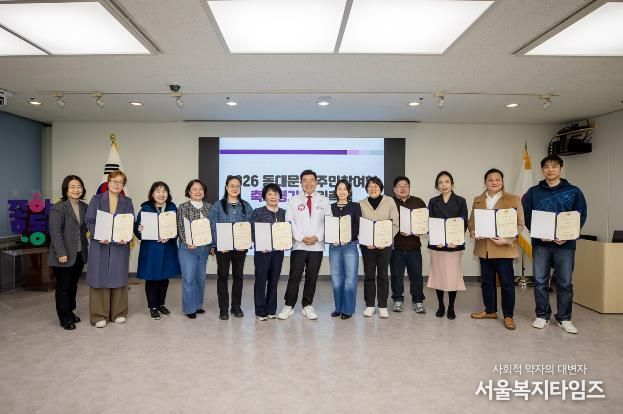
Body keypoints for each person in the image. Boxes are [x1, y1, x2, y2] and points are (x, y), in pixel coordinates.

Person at [522, 155, 587, 334]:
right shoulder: (533, 192)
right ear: (542, 170)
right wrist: (538, 232)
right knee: (540, 281)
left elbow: (580, 215)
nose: (550, 170)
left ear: (561, 169)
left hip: (565, 245)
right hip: (541, 244)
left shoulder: (574, 191)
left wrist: (568, 235)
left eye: (554, 166)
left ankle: (564, 318)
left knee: (565, 282)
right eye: (547, 167)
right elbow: (526, 215)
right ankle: (542, 316)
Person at [467, 169, 525, 330]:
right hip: (484, 248)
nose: (494, 182)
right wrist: (472, 231)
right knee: (487, 282)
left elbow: (520, 224)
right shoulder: (478, 200)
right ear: (485, 182)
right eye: (490, 179)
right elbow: (471, 221)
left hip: (504, 248)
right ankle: (490, 310)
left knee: (506, 283)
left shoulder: (513, 199)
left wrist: (508, 240)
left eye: (497, 179)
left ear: (502, 182)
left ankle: (508, 316)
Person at [278, 169, 330, 320]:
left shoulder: (324, 200)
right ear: (301, 183)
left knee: (312, 277)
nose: (308, 183)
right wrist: (301, 237)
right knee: (295, 276)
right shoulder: (294, 200)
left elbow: (328, 222)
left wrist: (317, 237)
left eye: (311, 180)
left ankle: (307, 305)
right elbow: (290, 221)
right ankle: (289, 305)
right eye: (305, 180)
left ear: (316, 182)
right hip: (299, 245)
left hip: (317, 246)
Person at [85, 170, 134, 328]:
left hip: (120, 245)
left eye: (120, 182)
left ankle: (119, 313)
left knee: (118, 277)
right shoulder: (96, 199)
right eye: (114, 181)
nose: (117, 184)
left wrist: (125, 236)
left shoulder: (127, 201)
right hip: (100, 244)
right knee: (99, 277)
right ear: (108, 182)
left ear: (123, 185)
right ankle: (99, 315)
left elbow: (130, 221)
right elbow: (89, 220)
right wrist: (98, 234)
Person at [134, 181, 181, 320]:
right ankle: (153, 307)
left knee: (164, 279)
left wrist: (171, 236)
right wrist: (139, 229)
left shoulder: (172, 208)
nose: (161, 194)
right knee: (152, 279)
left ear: (168, 194)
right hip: (151, 249)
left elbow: (178, 228)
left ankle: (161, 304)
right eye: (158, 191)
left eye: (164, 191)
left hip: (167, 248)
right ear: (152, 194)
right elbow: (137, 228)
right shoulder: (145, 208)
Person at [209, 175, 254, 320]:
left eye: (237, 186)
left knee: (238, 277)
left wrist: (245, 242)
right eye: (232, 185)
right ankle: (223, 309)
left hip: (240, 249)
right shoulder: (218, 205)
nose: (235, 188)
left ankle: (236, 307)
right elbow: (213, 226)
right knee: (222, 277)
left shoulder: (246, 206)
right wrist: (218, 244)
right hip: (223, 249)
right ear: (226, 187)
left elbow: (250, 226)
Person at [48, 175, 89, 330]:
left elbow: (88, 227)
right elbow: (55, 233)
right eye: (72, 187)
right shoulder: (58, 208)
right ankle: (64, 318)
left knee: (73, 285)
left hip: (79, 254)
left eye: (79, 186)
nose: (76, 190)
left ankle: (70, 312)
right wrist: (61, 252)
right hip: (63, 255)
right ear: (66, 189)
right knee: (63, 286)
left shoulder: (85, 207)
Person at [427, 171, 468, 320]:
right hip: (438, 245)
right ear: (437, 186)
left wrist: (455, 240)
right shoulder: (433, 201)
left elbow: (463, 222)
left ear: (452, 184)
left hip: (453, 245)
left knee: (452, 277)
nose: (444, 185)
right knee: (439, 276)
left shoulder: (461, 201)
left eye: (447, 182)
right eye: (440, 182)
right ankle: (441, 305)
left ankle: (451, 306)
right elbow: (430, 222)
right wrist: (435, 238)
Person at [359, 176, 399, 319]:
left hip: (385, 246)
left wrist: (385, 240)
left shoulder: (389, 201)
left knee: (383, 275)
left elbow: (395, 223)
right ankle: (370, 305)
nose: (373, 188)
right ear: (366, 188)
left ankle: (382, 306)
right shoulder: (361, 204)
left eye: (376, 186)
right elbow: (358, 225)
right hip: (367, 246)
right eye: (370, 186)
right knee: (369, 275)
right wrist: (365, 240)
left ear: (381, 188)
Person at [390, 176, 427, 314]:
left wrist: (421, 230)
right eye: (399, 185)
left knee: (416, 275)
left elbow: (425, 222)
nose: (403, 188)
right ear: (394, 189)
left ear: (409, 187)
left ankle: (418, 301)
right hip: (396, 247)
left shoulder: (418, 202)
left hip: (414, 247)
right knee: (396, 275)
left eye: (405, 185)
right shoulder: (390, 202)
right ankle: (397, 300)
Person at [177, 179, 213, 319]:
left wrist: (212, 245)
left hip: (204, 249)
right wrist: (188, 242)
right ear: (189, 192)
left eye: (201, 189)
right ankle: (189, 308)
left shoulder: (209, 207)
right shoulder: (183, 207)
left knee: (200, 278)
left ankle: (198, 305)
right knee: (188, 278)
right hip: (188, 249)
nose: (198, 192)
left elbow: (212, 228)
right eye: (195, 189)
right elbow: (181, 226)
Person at [327, 179, 362, 320]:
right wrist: (332, 238)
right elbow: (327, 225)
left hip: (350, 246)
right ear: (336, 191)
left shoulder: (355, 206)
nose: (342, 191)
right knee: (336, 278)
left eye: (345, 189)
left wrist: (349, 237)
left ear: (349, 191)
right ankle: (338, 308)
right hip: (334, 246)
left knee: (350, 279)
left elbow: (358, 225)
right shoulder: (330, 207)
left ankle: (347, 310)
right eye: (339, 189)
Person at [251, 183, 286, 321]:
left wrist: (286, 242)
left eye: (276, 194)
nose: (273, 197)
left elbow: (288, 231)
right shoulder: (258, 212)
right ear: (264, 196)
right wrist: (261, 244)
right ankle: (260, 311)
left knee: (274, 281)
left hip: (278, 252)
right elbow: (253, 231)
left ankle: (271, 309)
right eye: (270, 194)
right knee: (261, 281)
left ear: (280, 196)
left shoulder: (284, 213)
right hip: (262, 252)